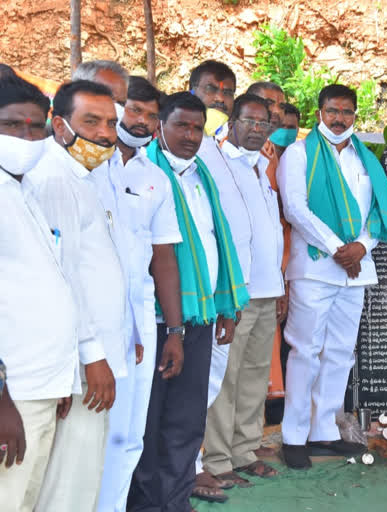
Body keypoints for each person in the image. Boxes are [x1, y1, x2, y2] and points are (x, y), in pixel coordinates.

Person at [128, 92, 249, 512]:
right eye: (181, 125)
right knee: (150, 421)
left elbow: (219, 241)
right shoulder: (145, 174)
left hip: (200, 315)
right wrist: (173, 329)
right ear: (160, 125)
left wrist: (226, 305)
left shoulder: (201, 176)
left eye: (198, 128)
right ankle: (145, 505)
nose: (191, 135)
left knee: (186, 419)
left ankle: (176, 502)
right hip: (158, 319)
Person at [277, 84, 387, 469]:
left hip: (356, 271)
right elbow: (295, 208)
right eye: (332, 111)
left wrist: (361, 247)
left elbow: (378, 210)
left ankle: (324, 431)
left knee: (340, 353)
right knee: (305, 351)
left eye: (347, 112)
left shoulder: (366, 160)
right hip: (315, 268)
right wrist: (337, 249)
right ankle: (293, 436)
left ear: (355, 116)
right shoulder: (298, 154)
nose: (339, 119)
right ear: (319, 114)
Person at [84, 67, 185, 512]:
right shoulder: (82, 167)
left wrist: (174, 330)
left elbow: (163, 257)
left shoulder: (156, 178)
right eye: (135, 109)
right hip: (87, 319)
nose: (143, 121)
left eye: (152, 114)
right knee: (87, 434)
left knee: (129, 434)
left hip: (140, 319)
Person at [26, 80, 126, 512]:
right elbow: (64, 275)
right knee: (70, 479)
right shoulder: (52, 177)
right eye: (91, 121)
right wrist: (92, 354)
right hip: (85, 361)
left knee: (82, 473)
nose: (104, 134)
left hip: (95, 351)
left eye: (110, 123)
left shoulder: (81, 174)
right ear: (59, 123)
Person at [0, 75, 79, 512]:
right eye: (12, 125)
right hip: (13, 392)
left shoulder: (23, 187)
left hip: (41, 383)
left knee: (25, 500)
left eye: (36, 127)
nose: (27, 137)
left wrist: (60, 375)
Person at [202, 93, 286, 486]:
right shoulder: (218, 163)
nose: (256, 129)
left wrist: (281, 285)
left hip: (268, 289)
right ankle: (217, 460)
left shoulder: (263, 166)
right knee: (226, 378)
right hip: (236, 292)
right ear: (231, 122)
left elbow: (269, 232)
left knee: (254, 376)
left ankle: (244, 451)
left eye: (263, 123)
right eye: (249, 121)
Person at [187, 59, 249, 500]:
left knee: (209, 380)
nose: (219, 99)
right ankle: (187, 467)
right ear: (191, 90)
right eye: (211, 90)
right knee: (192, 382)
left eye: (227, 92)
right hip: (191, 291)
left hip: (223, 288)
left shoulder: (219, 145)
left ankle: (190, 461)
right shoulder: (182, 144)